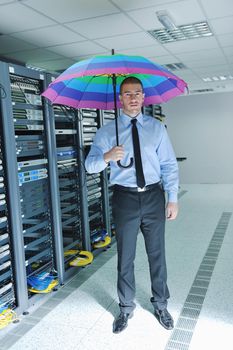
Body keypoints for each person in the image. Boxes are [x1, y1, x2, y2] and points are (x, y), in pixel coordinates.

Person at [85, 76, 179, 334]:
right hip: (124, 198)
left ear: (144, 97)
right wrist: (106, 156)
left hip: (153, 196)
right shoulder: (107, 132)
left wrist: (172, 198)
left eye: (137, 93)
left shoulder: (157, 128)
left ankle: (161, 304)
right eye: (128, 94)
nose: (134, 98)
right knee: (125, 256)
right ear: (120, 98)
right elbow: (90, 166)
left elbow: (169, 165)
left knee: (157, 254)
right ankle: (125, 308)